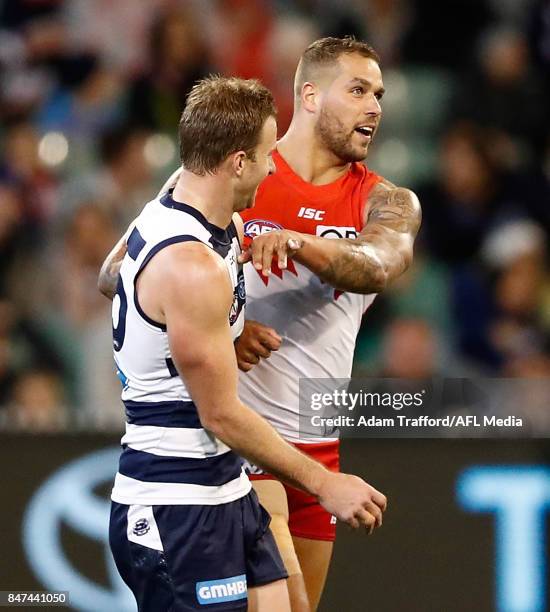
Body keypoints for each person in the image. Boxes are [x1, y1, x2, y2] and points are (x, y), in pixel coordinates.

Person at [101, 37, 419, 611]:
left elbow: (379, 266)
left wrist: (298, 243)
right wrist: (221, 324)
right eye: (358, 90)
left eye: (379, 93)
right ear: (311, 96)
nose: (374, 105)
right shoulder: (232, 171)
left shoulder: (385, 202)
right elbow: (119, 272)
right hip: (242, 446)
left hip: (317, 444)